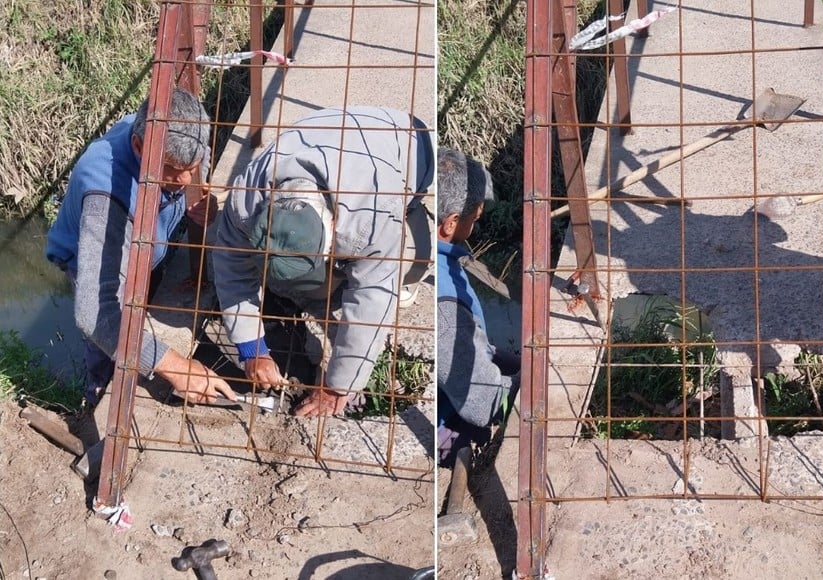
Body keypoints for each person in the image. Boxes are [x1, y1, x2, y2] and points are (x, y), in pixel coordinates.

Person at [213, 106, 434, 417]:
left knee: (411, 263)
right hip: (329, 135)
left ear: (332, 225)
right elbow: (231, 268)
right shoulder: (246, 200)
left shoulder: (372, 216)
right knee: (314, 288)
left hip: (407, 145)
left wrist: (337, 387)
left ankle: (404, 264)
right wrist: (252, 347)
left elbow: (372, 301)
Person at [46, 87, 234, 406]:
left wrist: (203, 202)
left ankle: (133, 346)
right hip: (92, 251)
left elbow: (189, 173)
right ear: (138, 146)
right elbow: (95, 314)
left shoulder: (173, 135)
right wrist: (176, 367)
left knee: (138, 304)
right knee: (106, 333)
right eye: (173, 170)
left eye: (193, 166)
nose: (186, 180)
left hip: (145, 242)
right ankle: (98, 390)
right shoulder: (105, 197)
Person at [436, 148, 520, 468]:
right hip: (446, 421)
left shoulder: (434, 256)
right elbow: (484, 402)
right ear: (451, 223)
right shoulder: (446, 309)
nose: (475, 225)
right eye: (474, 218)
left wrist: (507, 360)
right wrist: (527, 382)